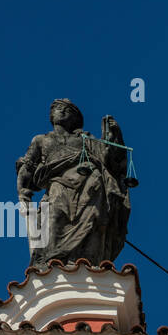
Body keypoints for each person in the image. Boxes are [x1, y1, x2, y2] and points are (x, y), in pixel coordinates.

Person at [16, 99, 131, 269]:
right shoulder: (41, 140)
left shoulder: (85, 139)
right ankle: (52, 260)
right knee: (55, 216)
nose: (61, 112)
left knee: (93, 217)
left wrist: (114, 135)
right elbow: (27, 168)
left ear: (75, 118)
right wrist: (22, 191)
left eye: (66, 110)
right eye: (57, 109)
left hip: (89, 182)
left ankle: (86, 260)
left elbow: (108, 157)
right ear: (51, 116)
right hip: (59, 184)